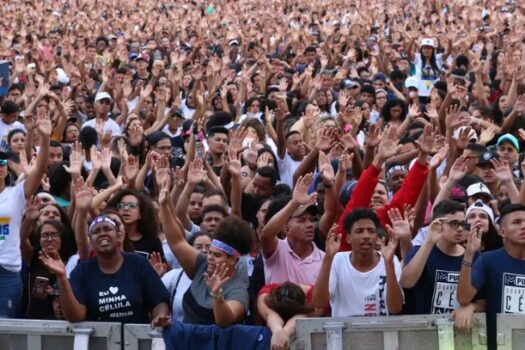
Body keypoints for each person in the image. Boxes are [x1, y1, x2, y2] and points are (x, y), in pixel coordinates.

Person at [39, 215, 171, 325]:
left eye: (107, 229)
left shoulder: (138, 263)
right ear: (91, 241)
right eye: (96, 231)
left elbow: (158, 301)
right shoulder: (82, 271)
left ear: (118, 236)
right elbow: (75, 317)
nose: (102, 233)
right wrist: (61, 277)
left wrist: (159, 318)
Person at [159, 180, 253, 326]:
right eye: (210, 252)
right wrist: (164, 206)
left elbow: (225, 321)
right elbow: (177, 242)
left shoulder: (238, 290)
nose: (209, 258)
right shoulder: (202, 264)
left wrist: (217, 295)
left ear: (233, 260)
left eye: (217, 255)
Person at [0, 112, 50, 318]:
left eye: (2, 163)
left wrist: (44, 138)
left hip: (7, 272)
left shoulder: (17, 193)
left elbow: (39, 169)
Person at [457, 204, 525, 350]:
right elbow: (463, 298)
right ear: (502, 231)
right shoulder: (488, 260)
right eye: (516, 222)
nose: (523, 226)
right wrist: (469, 253)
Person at [313, 209, 403, 316]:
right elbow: (318, 303)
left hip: (379, 331)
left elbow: (395, 308)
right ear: (348, 238)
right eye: (359, 231)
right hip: (343, 331)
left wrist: (388, 263)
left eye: (371, 231)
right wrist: (328, 257)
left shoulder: (390, 260)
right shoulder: (337, 260)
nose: (366, 236)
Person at [401, 200, 472, 314]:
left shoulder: (473, 255)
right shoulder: (420, 251)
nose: (460, 229)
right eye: (454, 223)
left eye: (462, 224)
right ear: (437, 224)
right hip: (426, 326)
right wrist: (429, 241)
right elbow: (407, 282)